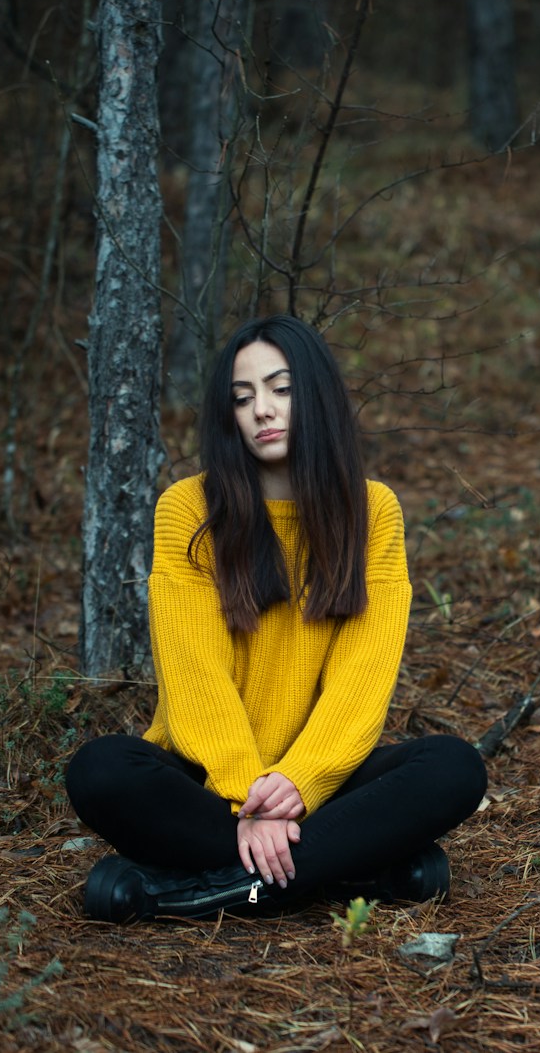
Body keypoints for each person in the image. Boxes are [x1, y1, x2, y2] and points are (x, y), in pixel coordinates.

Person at [66, 315, 486, 923]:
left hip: (322, 784)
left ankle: (193, 890)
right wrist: (248, 799)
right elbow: (194, 681)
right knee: (101, 770)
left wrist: (298, 783)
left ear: (315, 394)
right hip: (210, 786)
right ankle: (352, 871)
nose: (262, 409)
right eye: (243, 397)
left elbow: (360, 682)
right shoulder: (188, 510)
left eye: (281, 389)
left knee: (454, 767)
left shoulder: (372, 513)